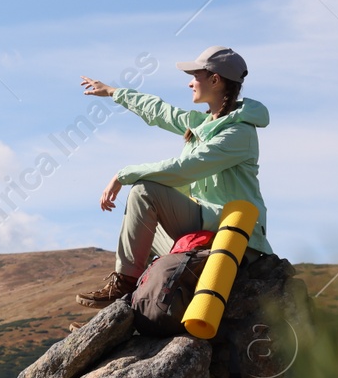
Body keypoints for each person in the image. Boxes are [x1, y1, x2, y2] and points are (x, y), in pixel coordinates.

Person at [74, 45, 273, 308]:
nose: (190, 83)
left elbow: (185, 168)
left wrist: (123, 175)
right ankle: (122, 310)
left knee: (144, 192)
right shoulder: (205, 124)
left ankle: (123, 288)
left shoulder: (239, 134)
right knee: (141, 230)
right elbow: (160, 111)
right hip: (206, 224)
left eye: (196, 77)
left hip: (232, 233)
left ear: (215, 80)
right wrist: (113, 92)